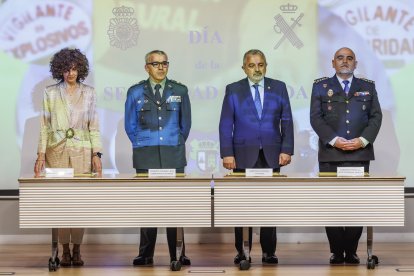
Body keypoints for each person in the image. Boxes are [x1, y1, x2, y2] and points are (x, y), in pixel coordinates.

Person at [219, 49, 294, 265]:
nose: (257, 69)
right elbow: (226, 124)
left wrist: (286, 149)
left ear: (266, 66)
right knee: (242, 207)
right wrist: (227, 153)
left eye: (260, 64)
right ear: (244, 68)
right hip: (241, 156)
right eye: (252, 65)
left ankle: (269, 252)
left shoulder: (278, 87)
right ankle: (243, 251)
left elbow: (287, 121)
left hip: (272, 155)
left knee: (269, 206)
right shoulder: (233, 89)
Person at [310, 47, 382, 265]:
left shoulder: (367, 87)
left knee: (357, 205)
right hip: (331, 155)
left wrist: (362, 140)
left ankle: (351, 251)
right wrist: (334, 140)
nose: (344, 61)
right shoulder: (321, 86)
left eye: (349, 58)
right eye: (340, 58)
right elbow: (316, 117)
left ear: (355, 64)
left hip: (359, 155)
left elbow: (376, 117)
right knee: (331, 205)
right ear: (333, 63)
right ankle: (336, 251)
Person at [34, 48, 103, 266]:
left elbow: (94, 126)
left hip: (82, 152)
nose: (70, 73)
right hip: (57, 152)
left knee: (80, 203)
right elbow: (44, 126)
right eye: (66, 69)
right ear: (59, 70)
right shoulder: (50, 92)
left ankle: (77, 249)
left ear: (80, 69)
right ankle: (63, 249)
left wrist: (96, 153)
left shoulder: (90, 92)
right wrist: (40, 154)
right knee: (61, 202)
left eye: (74, 68)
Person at [125, 50, 192, 266]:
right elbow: (130, 125)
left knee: (175, 207)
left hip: (173, 154)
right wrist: (141, 143)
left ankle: (177, 253)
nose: (161, 67)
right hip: (146, 155)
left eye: (164, 63)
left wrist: (176, 141)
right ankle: (145, 254)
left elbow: (185, 124)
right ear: (147, 67)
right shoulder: (135, 92)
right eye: (155, 64)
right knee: (147, 206)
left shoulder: (180, 90)